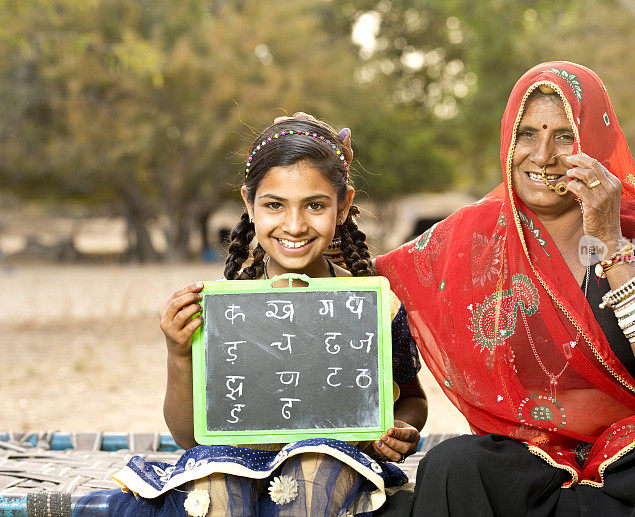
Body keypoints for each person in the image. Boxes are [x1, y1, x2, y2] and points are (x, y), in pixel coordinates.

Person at [374, 62, 635, 516]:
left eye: (565, 137)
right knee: (453, 465)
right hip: (525, 457)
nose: (543, 155)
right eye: (527, 134)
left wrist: (609, 242)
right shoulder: (474, 238)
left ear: (595, 145)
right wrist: (321, 170)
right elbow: (366, 282)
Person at [82, 118, 427, 516]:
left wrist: (401, 429)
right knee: (218, 486)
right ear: (249, 203)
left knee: (315, 472)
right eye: (274, 205)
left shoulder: (374, 307)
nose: (294, 225)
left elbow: (412, 397)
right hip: (230, 474)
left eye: (315, 205)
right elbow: (188, 437)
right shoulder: (219, 312)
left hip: (331, 479)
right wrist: (178, 354)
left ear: (343, 205)